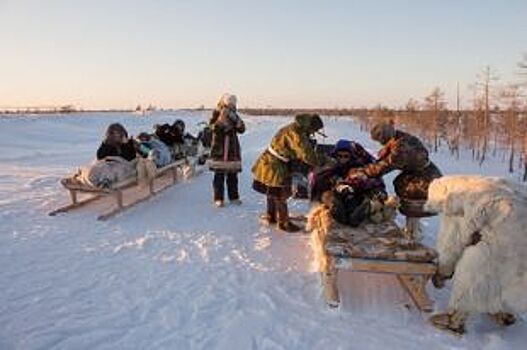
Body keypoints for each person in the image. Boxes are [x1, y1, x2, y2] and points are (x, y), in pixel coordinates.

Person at [252, 114, 327, 232]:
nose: (313, 133)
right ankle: (284, 223)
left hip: (270, 160)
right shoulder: (297, 134)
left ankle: (271, 216)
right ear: (310, 126)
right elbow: (308, 156)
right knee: (281, 192)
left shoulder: (294, 127)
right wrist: (326, 160)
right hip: (274, 164)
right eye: (314, 130)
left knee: (272, 190)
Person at [354, 122, 442, 201]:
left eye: (380, 141)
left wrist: (363, 171)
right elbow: (387, 153)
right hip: (423, 172)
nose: (380, 144)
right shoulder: (400, 137)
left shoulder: (401, 147)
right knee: (400, 181)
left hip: (429, 179)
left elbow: (385, 166)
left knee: (402, 186)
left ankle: (416, 211)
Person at [208, 93, 245, 207]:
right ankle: (218, 198)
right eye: (229, 103)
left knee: (232, 175)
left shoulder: (234, 115)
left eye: (233, 104)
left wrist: (237, 123)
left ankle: (233, 197)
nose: (231, 106)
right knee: (219, 175)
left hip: (232, 149)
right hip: (220, 148)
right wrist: (221, 128)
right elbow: (211, 127)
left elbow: (242, 129)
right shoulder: (217, 112)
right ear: (224, 103)